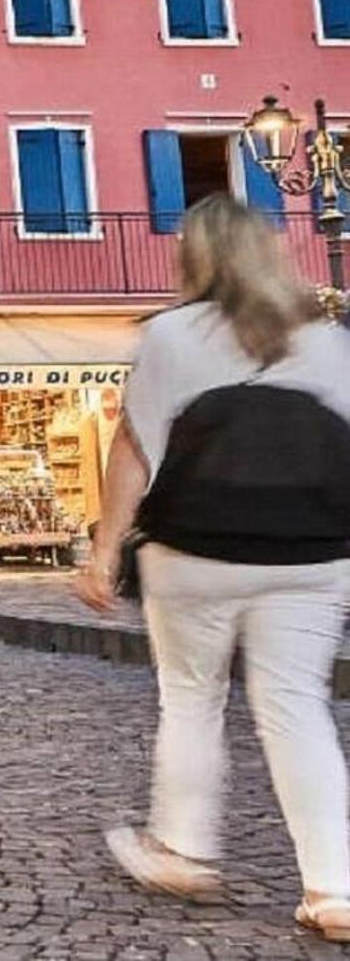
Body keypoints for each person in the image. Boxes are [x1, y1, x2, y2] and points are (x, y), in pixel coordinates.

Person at [74, 198, 350, 939]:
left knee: (193, 698)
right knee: (297, 708)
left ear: (192, 257)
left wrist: (104, 550)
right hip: (313, 551)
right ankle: (334, 886)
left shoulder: (170, 334)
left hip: (195, 547)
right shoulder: (326, 337)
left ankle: (184, 848)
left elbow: (135, 448)